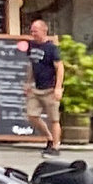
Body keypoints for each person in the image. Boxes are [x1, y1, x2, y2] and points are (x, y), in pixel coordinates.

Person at [24, 18, 62, 154]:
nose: (33, 33)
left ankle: (56, 146)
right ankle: (49, 137)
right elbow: (31, 65)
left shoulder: (52, 48)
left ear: (44, 31)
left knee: (54, 119)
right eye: (32, 31)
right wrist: (28, 82)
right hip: (36, 88)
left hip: (50, 89)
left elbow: (59, 67)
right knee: (32, 115)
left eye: (36, 31)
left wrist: (58, 87)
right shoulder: (31, 46)